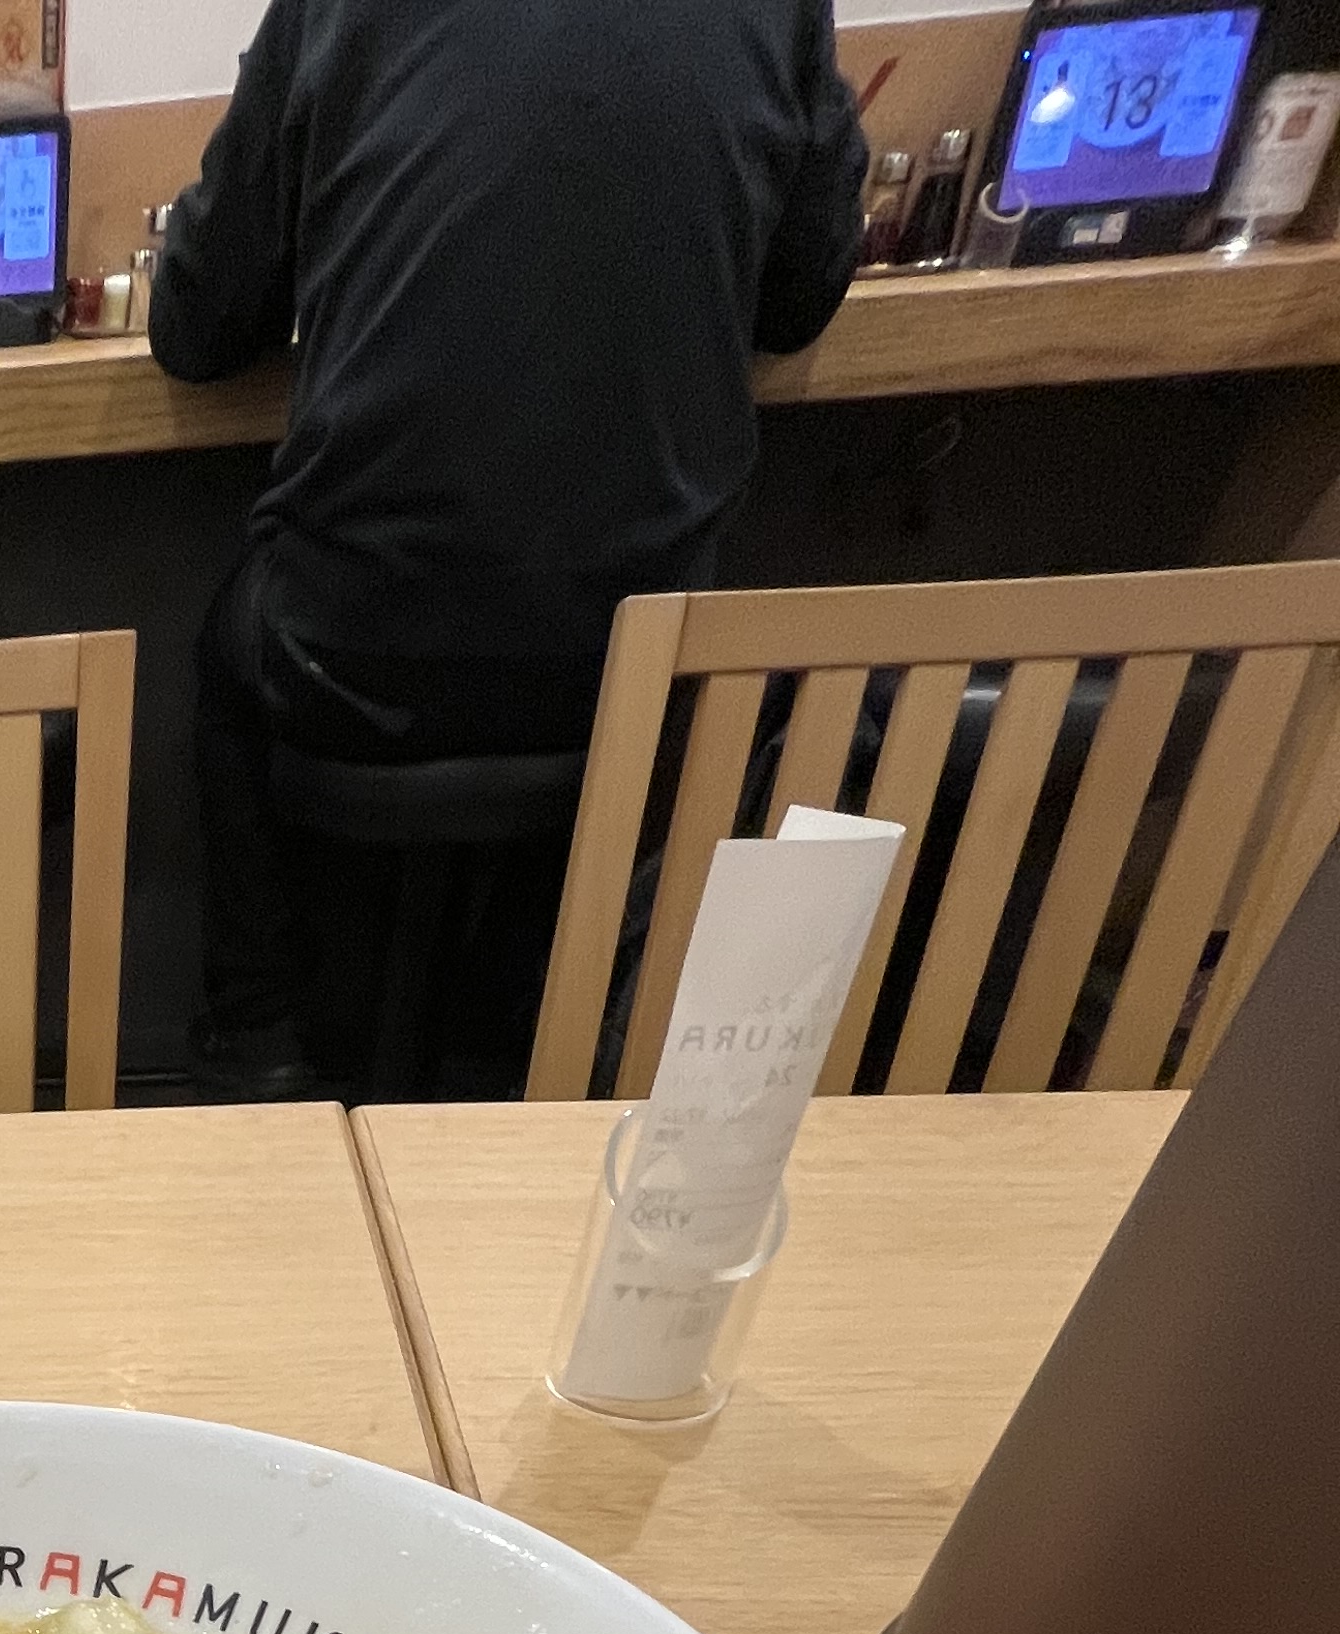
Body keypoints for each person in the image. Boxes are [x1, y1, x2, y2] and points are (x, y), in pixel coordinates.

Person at [148, 0, 867, 1099]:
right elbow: (801, 298)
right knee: (609, 693)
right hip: (638, 668)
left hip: (351, 656)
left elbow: (197, 328)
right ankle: (514, 1047)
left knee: (234, 645)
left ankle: (261, 1052)